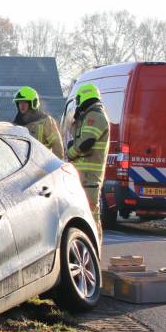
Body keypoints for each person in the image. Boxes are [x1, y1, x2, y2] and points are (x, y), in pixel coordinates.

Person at [66, 84, 110, 240]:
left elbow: (87, 142)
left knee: (92, 216)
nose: (78, 103)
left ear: (84, 96)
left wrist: (70, 153)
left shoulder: (95, 116)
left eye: (78, 99)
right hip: (83, 177)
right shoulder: (89, 115)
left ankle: (94, 249)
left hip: (90, 178)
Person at [12, 86, 64, 159]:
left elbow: (57, 145)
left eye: (25, 102)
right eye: (20, 102)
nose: (22, 105)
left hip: (43, 165)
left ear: (33, 103)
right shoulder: (16, 124)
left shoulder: (45, 121)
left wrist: (56, 166)